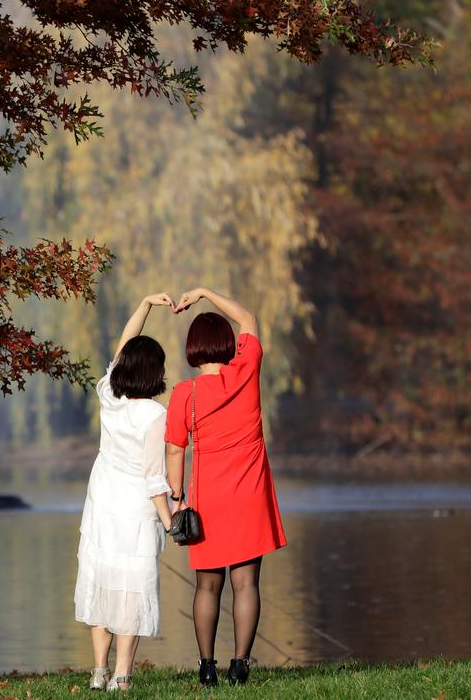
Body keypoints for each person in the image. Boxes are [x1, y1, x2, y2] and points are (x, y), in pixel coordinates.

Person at [165, 287, 286, 687]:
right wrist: (204, 293)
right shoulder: (246, 370)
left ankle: (206, 667)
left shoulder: (185, 394)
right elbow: (249, 318)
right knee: (246, 583)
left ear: (193, 348)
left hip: (209, 500)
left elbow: (174, 451)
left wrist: (178, 497)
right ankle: (241, 665)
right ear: (228, 345)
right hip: (250, 496)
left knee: (207, 586)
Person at [75, 293, 176, 692]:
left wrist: (145, 306)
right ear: (155, 373)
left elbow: (121, 347)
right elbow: (154, 478)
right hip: (134, 510)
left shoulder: (108, 396)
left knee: (101, 583)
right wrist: (171, 521)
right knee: (130, 591)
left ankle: (98, 672)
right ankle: (122, 677)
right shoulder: (155, 415)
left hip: (102, 502)